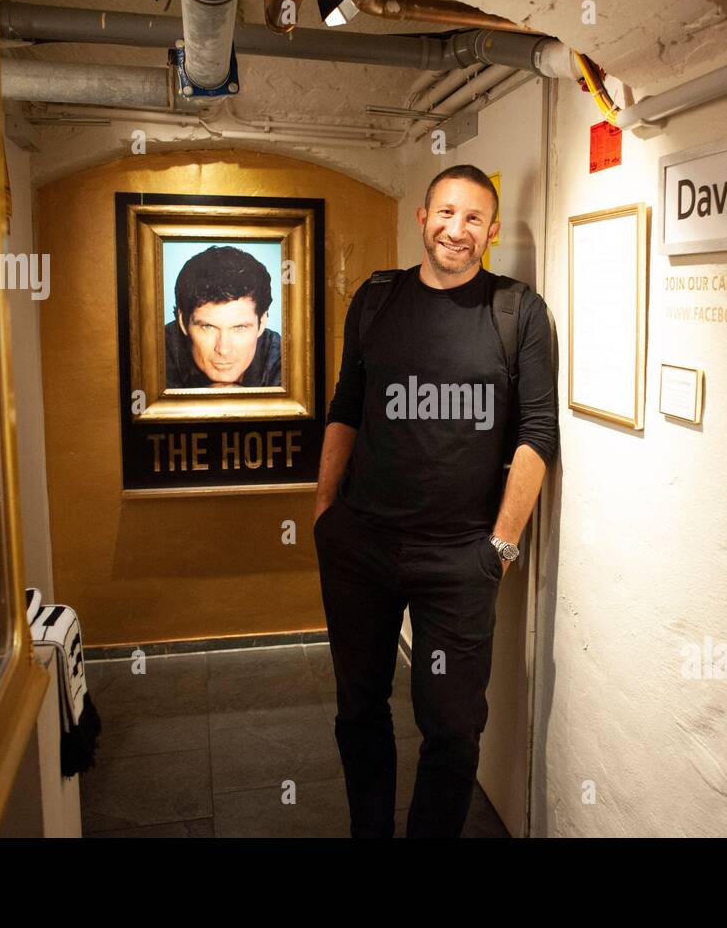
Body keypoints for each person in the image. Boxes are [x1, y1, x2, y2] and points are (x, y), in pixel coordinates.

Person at [313, 164, 559, 837]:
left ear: (493, 231)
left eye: (474, 218)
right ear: (422, 218)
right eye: (446, 213)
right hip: (360, 544)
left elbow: (539, 433)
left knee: (451, 726)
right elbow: (345, 405)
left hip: (459, 558)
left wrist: (501, 544)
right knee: (359, 708)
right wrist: (324, 509)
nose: (458, 229)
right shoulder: (376, 300)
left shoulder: (518, 312)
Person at [164, 245, 282, 388]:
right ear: (183, 322)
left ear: (262, 322)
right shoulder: (154, 356)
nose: (223, 349)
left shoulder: (287, 361)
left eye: (239, 327)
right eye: (208, 327)